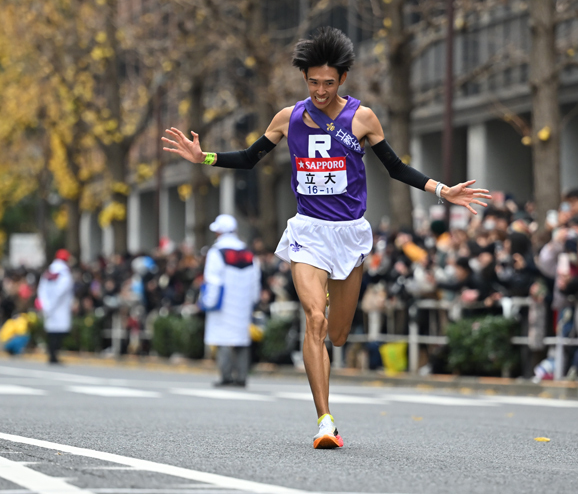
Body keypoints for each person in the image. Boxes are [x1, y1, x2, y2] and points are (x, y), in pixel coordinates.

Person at [162, 27, 490, 449]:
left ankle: (330, 352)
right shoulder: (287, 118)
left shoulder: (361, 118)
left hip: (349, 236)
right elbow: (248, 159)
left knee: (337, 334)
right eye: (313, 82)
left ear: (343, 80)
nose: (319, 90)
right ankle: (325, 421)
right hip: (308, 232)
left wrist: (443, 190)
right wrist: (204, 156)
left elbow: (395, 167)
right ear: (305, 79)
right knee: (314, 320)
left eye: (328, 83)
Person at [200, 214, 261, 388]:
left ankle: (226, 376)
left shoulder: (216, 252)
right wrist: (253, 300)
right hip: (243, 303)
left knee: (222, 339)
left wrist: (208, 302)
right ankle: (241, 376)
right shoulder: (248, 253)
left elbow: (212, 281)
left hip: (222, 303)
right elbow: (255, 280)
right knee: (241, 339)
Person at [38, 249, 74, 365]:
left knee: (52, 332)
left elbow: (42, 289)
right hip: (59, 307)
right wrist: (52, 305)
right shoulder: (64, 272)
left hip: (50, 306)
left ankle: (52, 355)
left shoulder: (49, 271)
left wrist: (46, 304)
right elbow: (61, 291)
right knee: (58, 333)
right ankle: (53, 355)